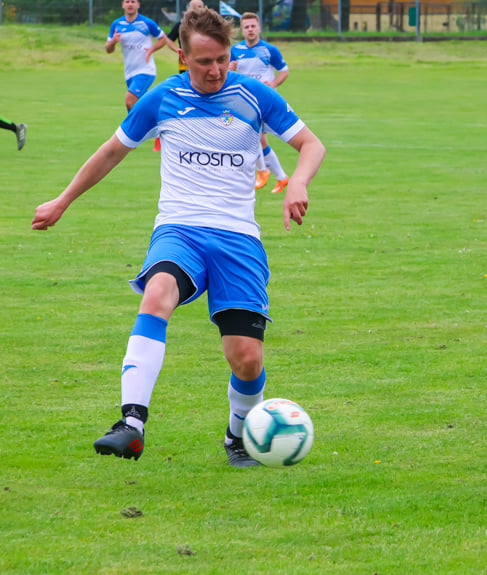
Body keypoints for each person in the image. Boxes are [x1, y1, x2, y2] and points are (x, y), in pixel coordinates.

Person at [32, 6, 326, 468]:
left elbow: (312, 144)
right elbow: (111, 151)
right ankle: (131, 423)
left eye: (222, 59)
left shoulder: (254, 95)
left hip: (237, 238)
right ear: (184, 58)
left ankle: (239, 433)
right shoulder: (162, 98)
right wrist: (62, 200)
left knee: (246, 358)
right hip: (179, 229)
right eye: (204, 61)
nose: (215, 70)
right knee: (157, 293)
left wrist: (301, 182)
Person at [229, 12, 292, 194]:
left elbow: (284, 71)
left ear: (259, 28)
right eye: (246, 27)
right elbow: (228, 74)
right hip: (243, 99)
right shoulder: (236, 50)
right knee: (259, 139)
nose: (250, 30)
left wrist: (272, 85)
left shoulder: (269, 50)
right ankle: (280, 177)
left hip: (263, 100)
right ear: (242, 30)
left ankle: (263, 171)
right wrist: (229, 69)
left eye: (252, 26)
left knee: (251, 135)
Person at [106, 0, 167, 112]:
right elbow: (108, 50)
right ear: (123, 5)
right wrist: (113, 41)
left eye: (133, 1)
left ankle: (132, 129)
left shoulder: (147, 23)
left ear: (138, 5)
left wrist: (151, 50)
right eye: (127, 1)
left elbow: (163, 39)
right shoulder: (117, 24)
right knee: (142, 104)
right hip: (129, 73)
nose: (130, 4)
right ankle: (159, 121)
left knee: (130, 101)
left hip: (146, 70)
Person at [164, 0, 206, 73]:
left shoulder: (208, 24)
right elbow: (169, 40)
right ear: (190, 8)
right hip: (185, 62)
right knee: (186, 82)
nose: (201, 9)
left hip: (203, 59)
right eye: (198, 7)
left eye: (202, 6)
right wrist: (179, 51)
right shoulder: (181, 24)